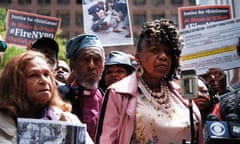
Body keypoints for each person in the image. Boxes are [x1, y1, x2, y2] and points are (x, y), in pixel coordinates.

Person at [96, 19, 203, 144]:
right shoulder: (118, 93)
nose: (163, 56)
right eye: (155, 50)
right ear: (138, 57)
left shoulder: (181, 94)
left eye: (168, 52)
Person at [0, 50, 93, 143]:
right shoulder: (2, 126)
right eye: (34, 75)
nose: (44, 81)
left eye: (46, 74)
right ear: (15, 84)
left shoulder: (69, 120)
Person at [61, 34, 105, 141]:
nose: (91, 65)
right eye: (85, 60)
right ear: (73, 65)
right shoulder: (59, 97)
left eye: (97, 60)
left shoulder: (108, 101)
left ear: (103, 65)